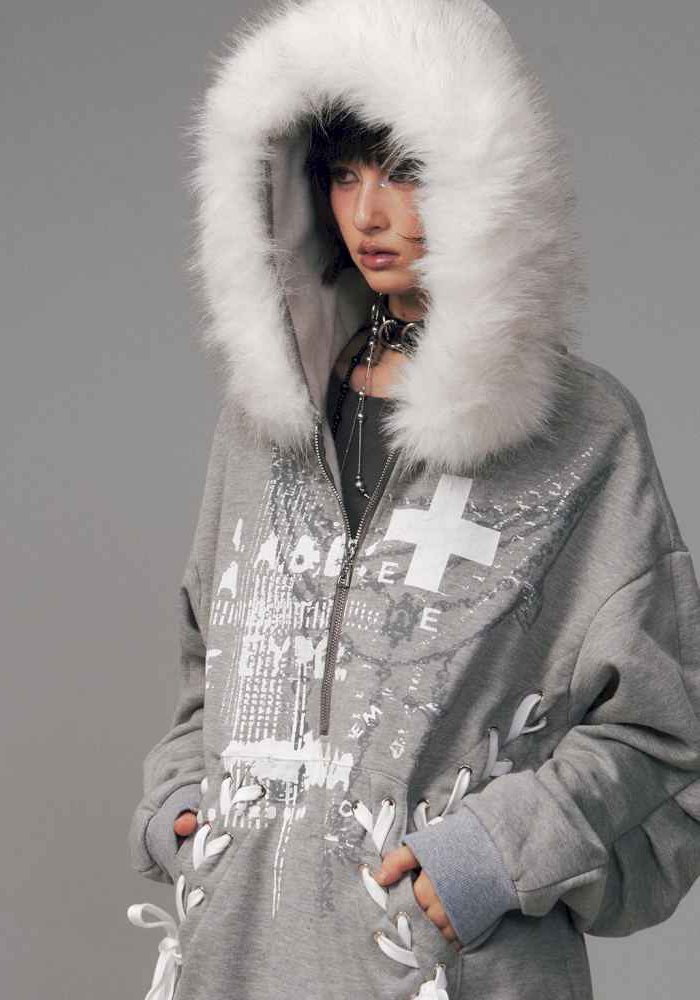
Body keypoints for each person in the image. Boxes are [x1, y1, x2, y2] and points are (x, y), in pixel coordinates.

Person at [128, 1, 700, 998]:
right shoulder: (262, 419)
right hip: (238, 966)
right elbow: (206, 665)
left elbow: (664, 729)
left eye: (403, 170)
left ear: (483, 177)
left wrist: (492, 855)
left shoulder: (583, 432)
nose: (367, 215)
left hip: (449, 973)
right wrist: (177, 802)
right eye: (343, 173)